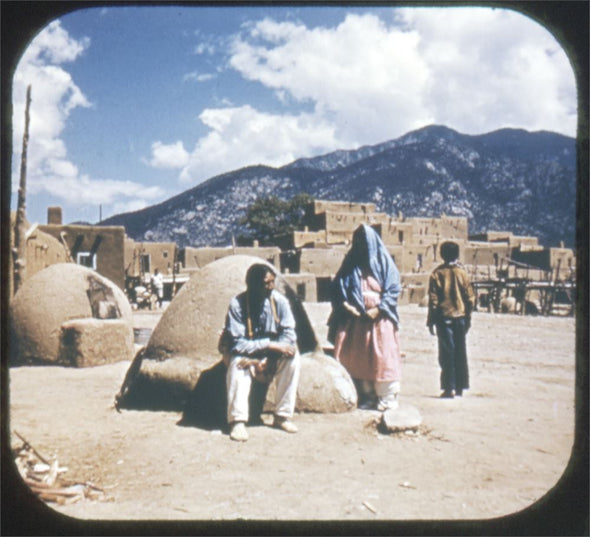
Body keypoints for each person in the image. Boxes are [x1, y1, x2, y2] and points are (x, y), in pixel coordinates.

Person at [222, 263, 301, 442]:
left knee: (292, 357)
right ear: (253, 285)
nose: (270, 287)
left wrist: (269, 357)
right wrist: (268, 347)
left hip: (270, 357)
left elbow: (289, 335)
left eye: (272, 282)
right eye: (266, 283)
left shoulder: (279, 302)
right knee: (237, 364)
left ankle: (282, 416)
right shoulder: (237, 305)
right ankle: (238, 421)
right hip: (247, 356)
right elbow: (237, 344)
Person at [328, 224, 402, 411]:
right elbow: (337, 289)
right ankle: (366, 396)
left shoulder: (384, 263)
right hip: (356, 322)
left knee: (383, 357)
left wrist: (379, 309)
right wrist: (346, 306)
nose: (360, 246)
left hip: (380, 320)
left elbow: (393, 289)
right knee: (357, 358)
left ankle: (386, 398)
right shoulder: (350, 264)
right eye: (357, 242)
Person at [427, 241, 476, 398]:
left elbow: (433, 301)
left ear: (442, 255)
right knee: (460, 351)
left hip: (444, 318)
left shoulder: (437, 274)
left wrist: (431, 321)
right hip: (460, 318)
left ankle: (449, 387)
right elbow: (470, 298)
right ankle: (460, 387)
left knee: (447, 353)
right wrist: (468, 316)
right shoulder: (463, 274)